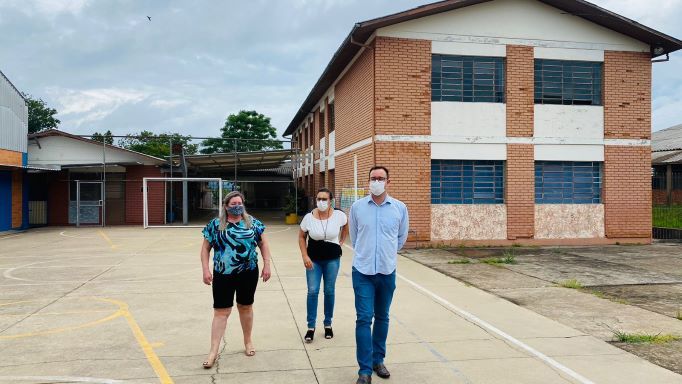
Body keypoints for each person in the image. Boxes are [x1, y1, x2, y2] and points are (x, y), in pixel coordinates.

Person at [349, 166, 409, 384]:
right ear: (368, 181)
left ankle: (378, 360)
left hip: (386, 271)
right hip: (363, 271)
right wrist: (367, 254)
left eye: (380, 178)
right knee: (364, 318)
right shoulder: (357, 207)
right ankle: (364, 370)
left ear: (388, 182)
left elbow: (400, 239)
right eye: (373, 178)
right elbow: (355, 238)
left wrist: (386, 255)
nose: (376, 181)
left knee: (382, 317)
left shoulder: (399, 208)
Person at [200, 191, 272, 369]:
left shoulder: (253, 223)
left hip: (248, 272)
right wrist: (205, 269)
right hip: (223, 274)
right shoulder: (216, 225)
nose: (237, 206)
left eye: (239, 203)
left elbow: (263, 244)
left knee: (245, 306)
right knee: (221, 311)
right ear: (226, 206)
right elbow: (205, 249)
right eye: (233, 203)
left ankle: (248, 341)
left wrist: (267, 265)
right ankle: (213, 351)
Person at [298, 188, 348, 342]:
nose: (321, 202)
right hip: (314, 260)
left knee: (329, 291)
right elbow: (301, 237)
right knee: (313, 291)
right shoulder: (309, 217)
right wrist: (305, 255)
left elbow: (346, 226)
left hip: (332, 259)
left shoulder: (339, 216)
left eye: (324, 199)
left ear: (330, 200)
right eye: (319, 199)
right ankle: (310, 327)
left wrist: (341, 241)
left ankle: (328, 324)